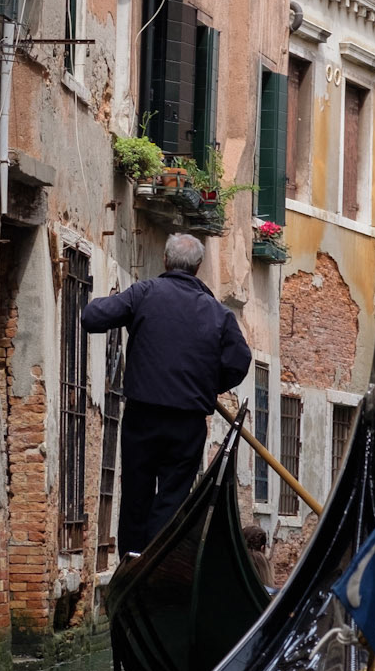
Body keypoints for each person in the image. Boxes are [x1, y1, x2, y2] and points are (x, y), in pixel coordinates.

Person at [81, 233, 251, 557]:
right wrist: (207, 384)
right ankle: (155, 567)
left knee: (136, 495)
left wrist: (124, 305)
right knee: (171, 500)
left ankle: (131, 564)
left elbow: (92, 318)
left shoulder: (144, 294)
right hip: (186, 423)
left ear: (165, 261)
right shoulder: (219, 314)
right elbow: (239, 362)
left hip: (142, 418)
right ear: (198, 267)